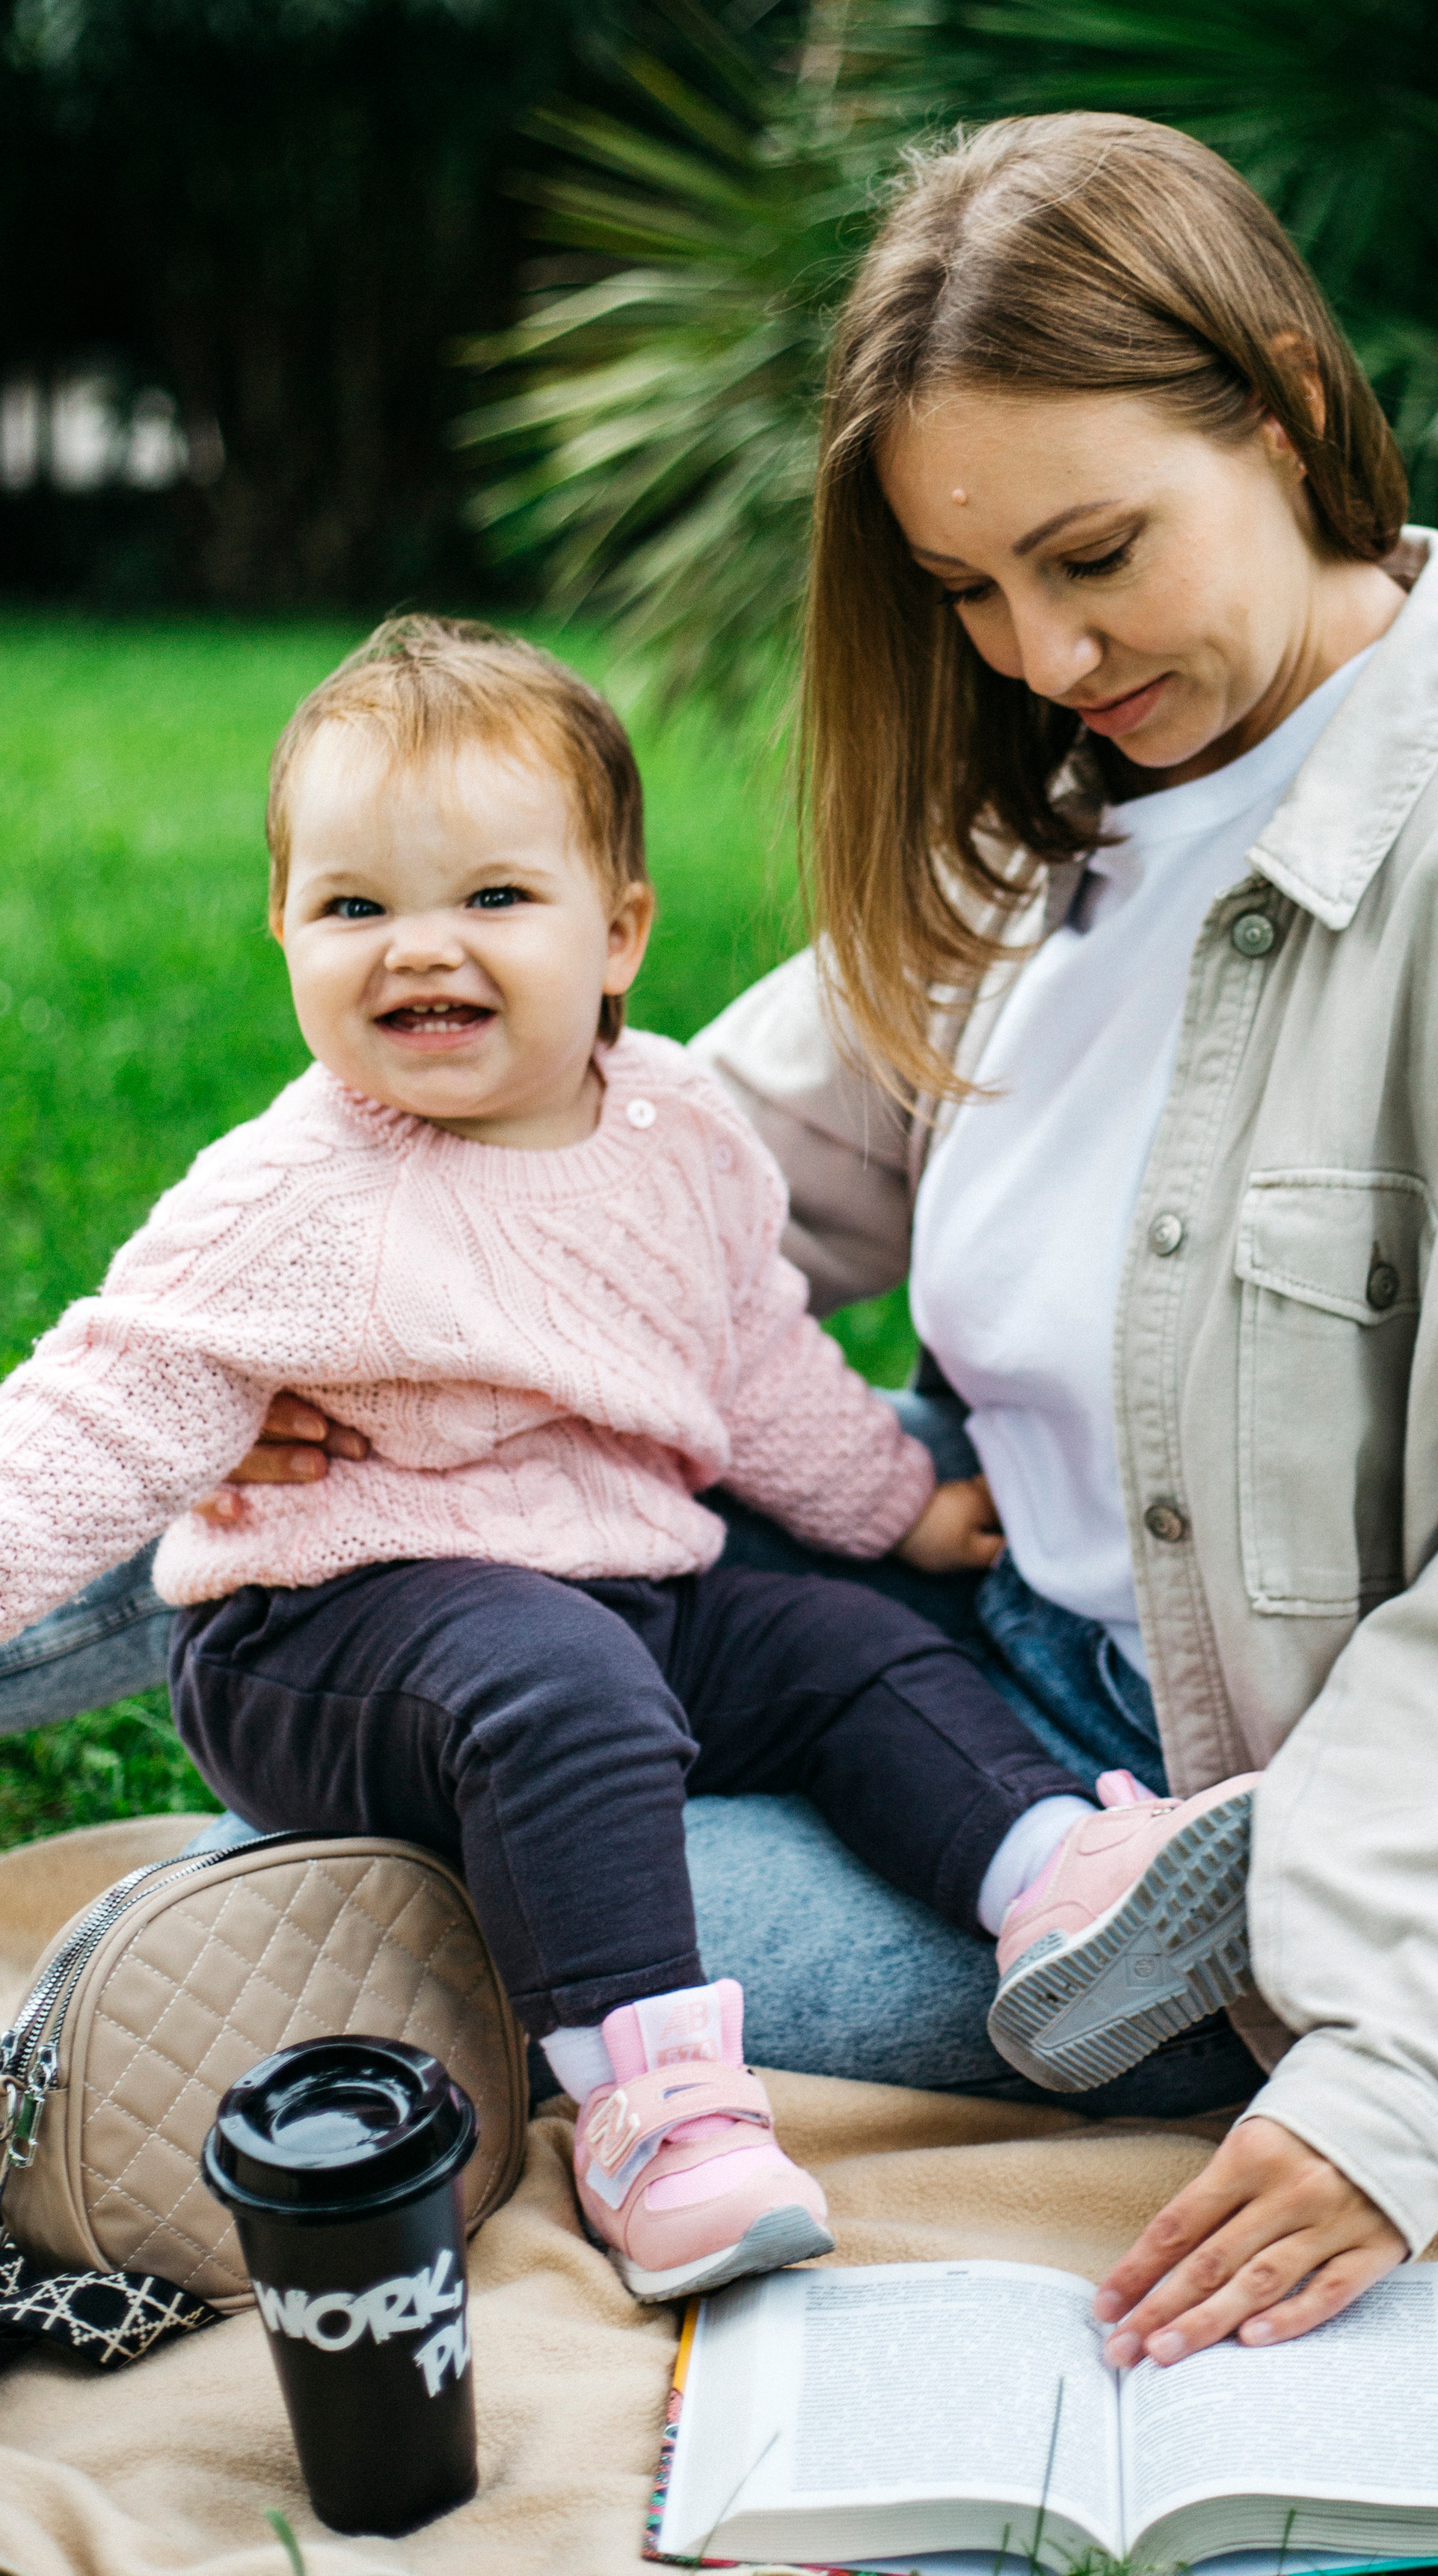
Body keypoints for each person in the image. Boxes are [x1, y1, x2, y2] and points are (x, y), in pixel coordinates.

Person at [10, 113, 1438, 2376]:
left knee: (504, 1880)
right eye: (965, 589)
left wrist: (1398, 2091)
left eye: (1093, 554)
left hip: (1185, 1821)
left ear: (1285, 407)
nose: (1038, 650)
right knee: (352, 1465)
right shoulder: (1051, 820)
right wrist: (345, 1335)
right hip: (918, 1597)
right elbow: (650, 1171)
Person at [0, 618, 1258, 2301]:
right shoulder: (293, 1198)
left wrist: (900, 1509)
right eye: (355, 907)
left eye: (492, 896)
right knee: (562, 1682)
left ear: (619, 933)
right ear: (284, 931)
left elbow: (756, 1366)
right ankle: (657, 2116)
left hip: (615, 1584)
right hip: (323, 1639)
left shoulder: (677, 1134)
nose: (420, 946)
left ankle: (1055, 1875)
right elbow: (86, 1423)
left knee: (839, 1645)